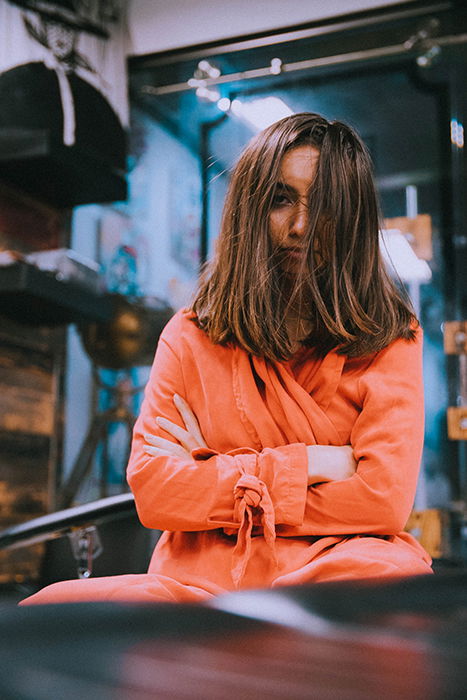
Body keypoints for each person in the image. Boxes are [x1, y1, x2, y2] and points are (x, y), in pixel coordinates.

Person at [22, 112, 432, 605]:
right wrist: (314, 463)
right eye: (282, 199)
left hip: (335, 572)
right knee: (51, 606)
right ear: (251, 210)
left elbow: (381, 502)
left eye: (324, 205)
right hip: (199, 583)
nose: (301, 226)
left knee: (387, 580)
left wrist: (215, 469)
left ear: (353, 219)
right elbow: (156, 493)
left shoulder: (390, 335)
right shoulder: (192, 333)